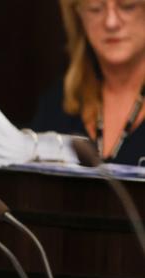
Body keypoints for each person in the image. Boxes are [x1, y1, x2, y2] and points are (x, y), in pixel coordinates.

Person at [32, 0, 145, 165]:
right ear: (78, 16)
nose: (111, 22)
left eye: (128, 6)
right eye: (95, 9)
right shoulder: (57, 104)